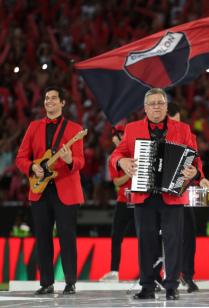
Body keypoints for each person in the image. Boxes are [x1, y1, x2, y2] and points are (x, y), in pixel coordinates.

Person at [110, 88, 200, 300]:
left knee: (173, 241)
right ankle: (147, 286)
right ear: (145, 108)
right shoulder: (132, 129)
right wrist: (121, 161)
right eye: (152, 104)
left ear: (167, 107)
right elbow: (116, 154)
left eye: (160, 103)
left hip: (173, 194)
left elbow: (195, 159)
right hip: (144, 194)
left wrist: (194, 171)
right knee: (145, 242)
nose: (156, 107)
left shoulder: (183, 129)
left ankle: (171, 287)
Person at [15, 86, 85, 295]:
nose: (49, 101)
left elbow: (81, 161)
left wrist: (70, 159)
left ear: (63, 103)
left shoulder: (74, 129)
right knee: (43, 237)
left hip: (66, 190)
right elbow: (20, 157)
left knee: (67, 237)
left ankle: (70, 282)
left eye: (54, 98)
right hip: (40, 190)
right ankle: (46, 283)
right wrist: (31, 167)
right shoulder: (33, 126)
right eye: (47, 98)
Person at [167, 102, 209, 293]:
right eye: (171, 122)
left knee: (189, 235)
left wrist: (201, 177)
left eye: (177, 122)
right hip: (158, 194)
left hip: (182, 193)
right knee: (165, 236)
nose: (174, 126)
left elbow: (196, 161)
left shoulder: (187, 135)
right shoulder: (152, 134)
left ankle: (188, 275)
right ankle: (161, 275)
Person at [100, 125, 135, 282]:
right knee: (116, 236)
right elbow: (117, 182)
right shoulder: (113, 158)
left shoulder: (135, 153)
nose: (118, 137)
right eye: (118, 135)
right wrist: (130, 173)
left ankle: (155, 272)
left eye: (121, 134)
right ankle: (114, 272)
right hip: (124, 200)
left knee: (148, 236)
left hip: (141, 200)